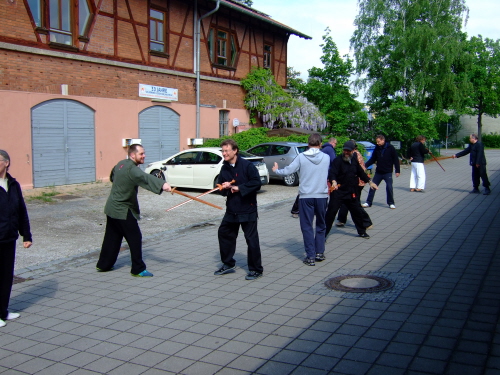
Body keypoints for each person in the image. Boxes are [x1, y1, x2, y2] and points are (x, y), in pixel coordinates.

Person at [96, 144, 171, 277]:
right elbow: (145, 178)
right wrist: (163, 184)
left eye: (144, 153)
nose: (144, 156)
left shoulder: (121, 164)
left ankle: (104, 264)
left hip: (111, 208)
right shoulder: (132, 169)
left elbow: (113, 176)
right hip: (123, 210)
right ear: (132, 155)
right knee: (135, 238)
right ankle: (138, 268)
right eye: (141, 154)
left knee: (112, 237)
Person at [273, 133, 330, 266]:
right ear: (320, 144)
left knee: (307, 226)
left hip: (306, 196)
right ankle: (319, 253)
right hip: (321, 196)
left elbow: (288, 171)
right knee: (321, 225)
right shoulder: (326, 157)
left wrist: (276, 170)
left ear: (308, 144)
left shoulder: (301, 157)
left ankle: (310, 256)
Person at [215, 139, 264, 280]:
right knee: (224, 233)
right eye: (222, 151)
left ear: (235, 151)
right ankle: (228, 263)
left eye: (226, 151)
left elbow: (256, 183)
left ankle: (256, 269)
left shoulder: (247, 166)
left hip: (248, 208)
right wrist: (223, 188)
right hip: (232, 209)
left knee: (251, 239)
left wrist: (240, 188)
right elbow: (221, 189)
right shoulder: (225, 167)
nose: (224, 153)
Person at [0, 150, 32, 328]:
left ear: (6, 163)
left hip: (9, 237)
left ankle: (3, 311)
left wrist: (26, 235)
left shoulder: (13, 184)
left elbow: (21, 211)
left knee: (6, 277)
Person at [325, 142, 378, 240]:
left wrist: (370, 182)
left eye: (348, 151)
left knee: (357, 212)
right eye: (345, 150)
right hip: (338, 192)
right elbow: (332, 173)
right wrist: (333, 181)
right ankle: (323, 235)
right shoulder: (337, 161)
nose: (346, 152)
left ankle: (362, 232)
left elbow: (361, 173)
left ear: (353, 151)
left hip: (351, 192)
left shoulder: (354, 160)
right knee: (331, 213)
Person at [290, 137, 337, 218]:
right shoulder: (329, 149)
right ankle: (297, 209)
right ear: (333, 142)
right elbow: (334, 162)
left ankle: (297, 209)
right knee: (311, 191)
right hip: (320, 173)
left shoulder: (324, 149)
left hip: (314, 174)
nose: (336, 145)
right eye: (336, 143)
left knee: (307, 191)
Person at [335, 140, 373, 229]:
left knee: (354, 203)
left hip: (357, 183)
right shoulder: (352, 154)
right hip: (351, 183)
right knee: (346, 201)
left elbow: (359, 170)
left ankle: (366, 222)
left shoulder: (354, 155)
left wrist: (368, 181)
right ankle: (341, 219)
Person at [363, 135, 400, 209]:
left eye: (378, 141)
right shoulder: (377, 148)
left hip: (388, 172)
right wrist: (365, 166)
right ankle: (368, 202)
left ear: (383, 140)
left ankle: (391, 203)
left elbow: (396, 159)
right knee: (373, 186)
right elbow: (373, 159)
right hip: (379, 172)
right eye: (376, 142)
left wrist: (397, 170)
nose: (377, 143)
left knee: (389, 187)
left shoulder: (390, 148)